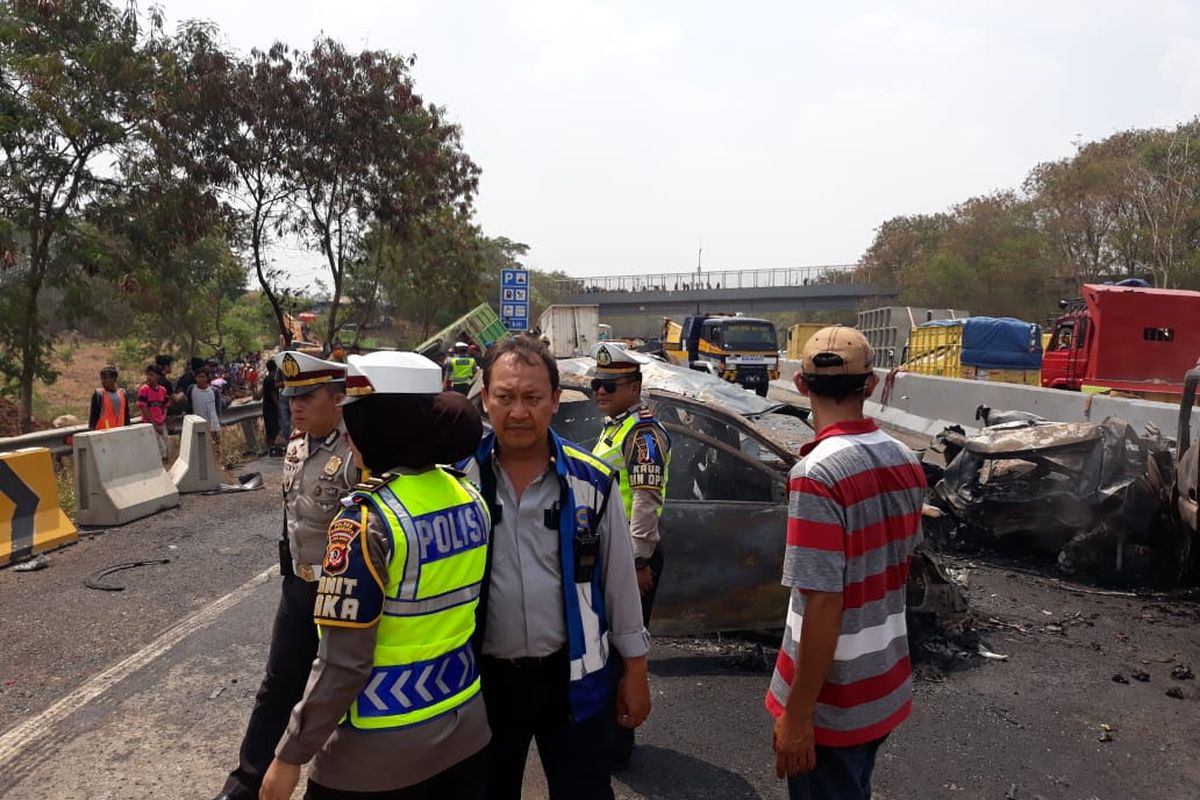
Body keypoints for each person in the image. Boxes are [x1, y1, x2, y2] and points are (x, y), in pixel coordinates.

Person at [260, 351, 490, 800]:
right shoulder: (468, 496)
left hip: (376, 749)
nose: (351, 433)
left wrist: (289, 756)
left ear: (380, 424)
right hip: (463, 726)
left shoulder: (363, 525)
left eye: (357, 418)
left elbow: (343, 665)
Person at [464, 336, 650, 800]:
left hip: (573, 685)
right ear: (486, 400)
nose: (519, 412)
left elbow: (619, 588)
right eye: (505, 397)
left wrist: (636, 672)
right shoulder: (457, 484)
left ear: (555, 401)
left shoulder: (591, 482)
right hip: (482, 686)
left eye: (531, 398)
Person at [766, 326, 926, 800]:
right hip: (884, 681)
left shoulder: (816, 474)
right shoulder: (904, 458)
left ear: (800, 384)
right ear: (871, 385)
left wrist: (796, 717)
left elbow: (822, 606)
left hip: (833, 700)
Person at [214, 352, 359, 800]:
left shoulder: (356, 454)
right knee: (278, 686)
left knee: (342, 695)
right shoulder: (296, 447)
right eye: (291, 396)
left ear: (338, 399)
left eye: (307, 396)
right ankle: (245, 784)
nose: (295, 405)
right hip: (297, 587)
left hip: (338, 592)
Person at [587, 342, 671, 765]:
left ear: (634, 386)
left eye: (608, 385)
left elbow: (645, 499)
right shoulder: (614, 426)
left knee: (624, 652)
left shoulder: (642, 434)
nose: (599, 392)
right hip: (610, 554)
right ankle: (606, 735)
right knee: (604, 650)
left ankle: (617, 745)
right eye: (595, 385)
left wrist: (638, 561)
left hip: (630, 558)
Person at [137, 364, 171, 463]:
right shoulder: (144, 390)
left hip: (161, 422)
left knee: (167, 445)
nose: (149, 377)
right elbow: (144, 408)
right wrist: (154, 424)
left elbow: (165, 406)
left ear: (158, 376)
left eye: (152, 375)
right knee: (161, 449)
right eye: (147, 375)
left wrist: (163, 417)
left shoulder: (162, 390)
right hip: (150, 423)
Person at [88, 366, 130, 430]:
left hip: (120, 433)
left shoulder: (123, 394)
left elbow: (126, 416)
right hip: (102, 435)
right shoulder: (99, 395)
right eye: (102, 378)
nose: (103, 381)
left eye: (105, 378)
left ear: (114, 379)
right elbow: (93, 419)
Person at [260, 358, 282, 456]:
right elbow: (273, 394)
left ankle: (269, 448)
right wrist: (279, 407)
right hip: (271, 408)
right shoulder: (271, 379)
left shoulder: (267, 378)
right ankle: (271, 448)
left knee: (270, 428)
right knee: (273, 429)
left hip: (266, 407)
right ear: (276, 368)